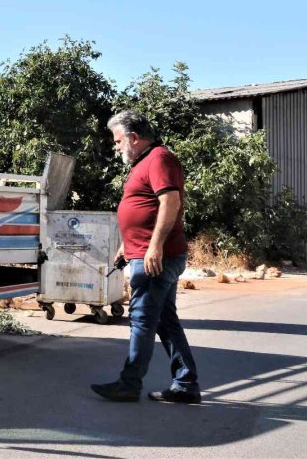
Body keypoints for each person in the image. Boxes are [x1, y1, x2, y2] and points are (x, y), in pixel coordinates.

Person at [91, 110, 201, 404]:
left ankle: (129, 384)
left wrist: (154, 246)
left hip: (156, 258)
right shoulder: (145, 162)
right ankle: (186, 384)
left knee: (141, 320)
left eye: (117, 141)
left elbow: (170, 202)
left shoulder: (159, 159)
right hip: (146, 253)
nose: (115, 147)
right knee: (165, 321)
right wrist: (128, 245)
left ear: (133, 137)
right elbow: (145, 209)